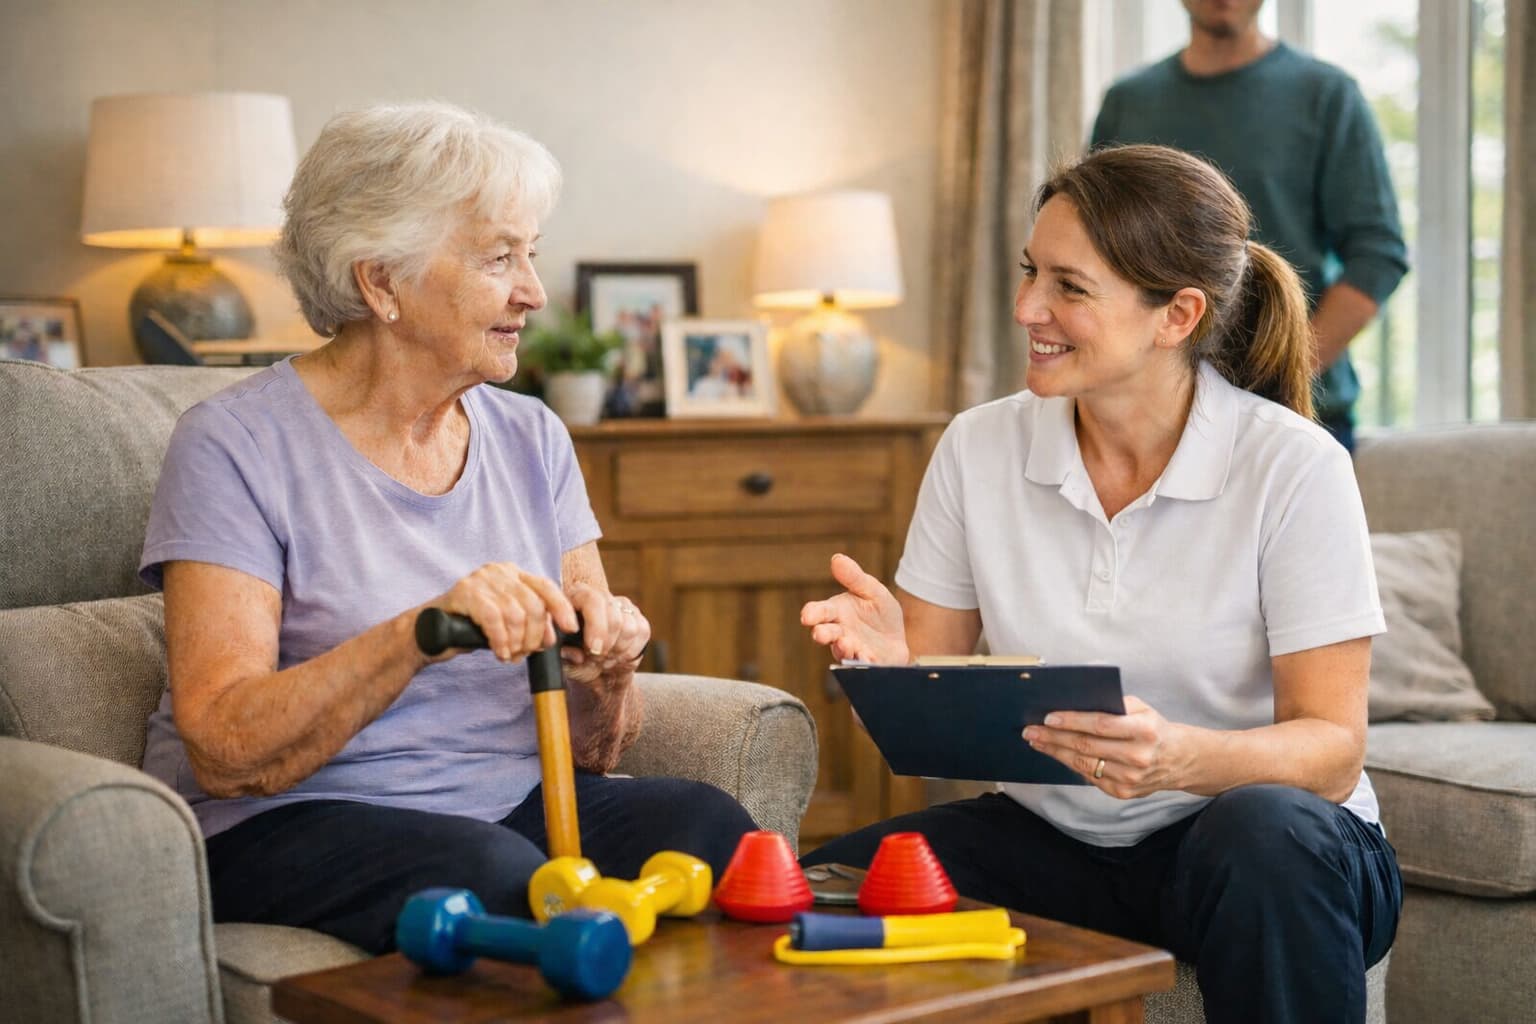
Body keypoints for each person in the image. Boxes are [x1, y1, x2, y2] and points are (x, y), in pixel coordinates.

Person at [799, 145, 1401, 1024]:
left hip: (1267, 849)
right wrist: (893, 671)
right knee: (823, 893)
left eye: (1069, 287)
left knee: (1261, 831)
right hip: (1058, 843)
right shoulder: (978, 447)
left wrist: (1183, 758)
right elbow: (934, 716)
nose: (1026, 308)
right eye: (1029, 272)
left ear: (1177, 315)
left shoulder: (1293, 466)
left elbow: (1332, 749)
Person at [137, 101, 757, 954]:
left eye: (529, 256)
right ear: (380, 281)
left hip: (503, 803)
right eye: (500, 258)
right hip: (285, 821)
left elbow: (596, 753)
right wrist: (423, 631)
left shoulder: (532, 437)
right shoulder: (235, 445)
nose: (534, 292)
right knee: (495, 878)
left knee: (707, 827)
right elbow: (224, 745)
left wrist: (605, 670)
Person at [1090, 0, 1408, 452]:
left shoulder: (1327, 95)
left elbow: (1378, 257)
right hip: (1147, 412)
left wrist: (1281, 370)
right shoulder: (1129, 103)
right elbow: (1093, 250)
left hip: (1289, 412)